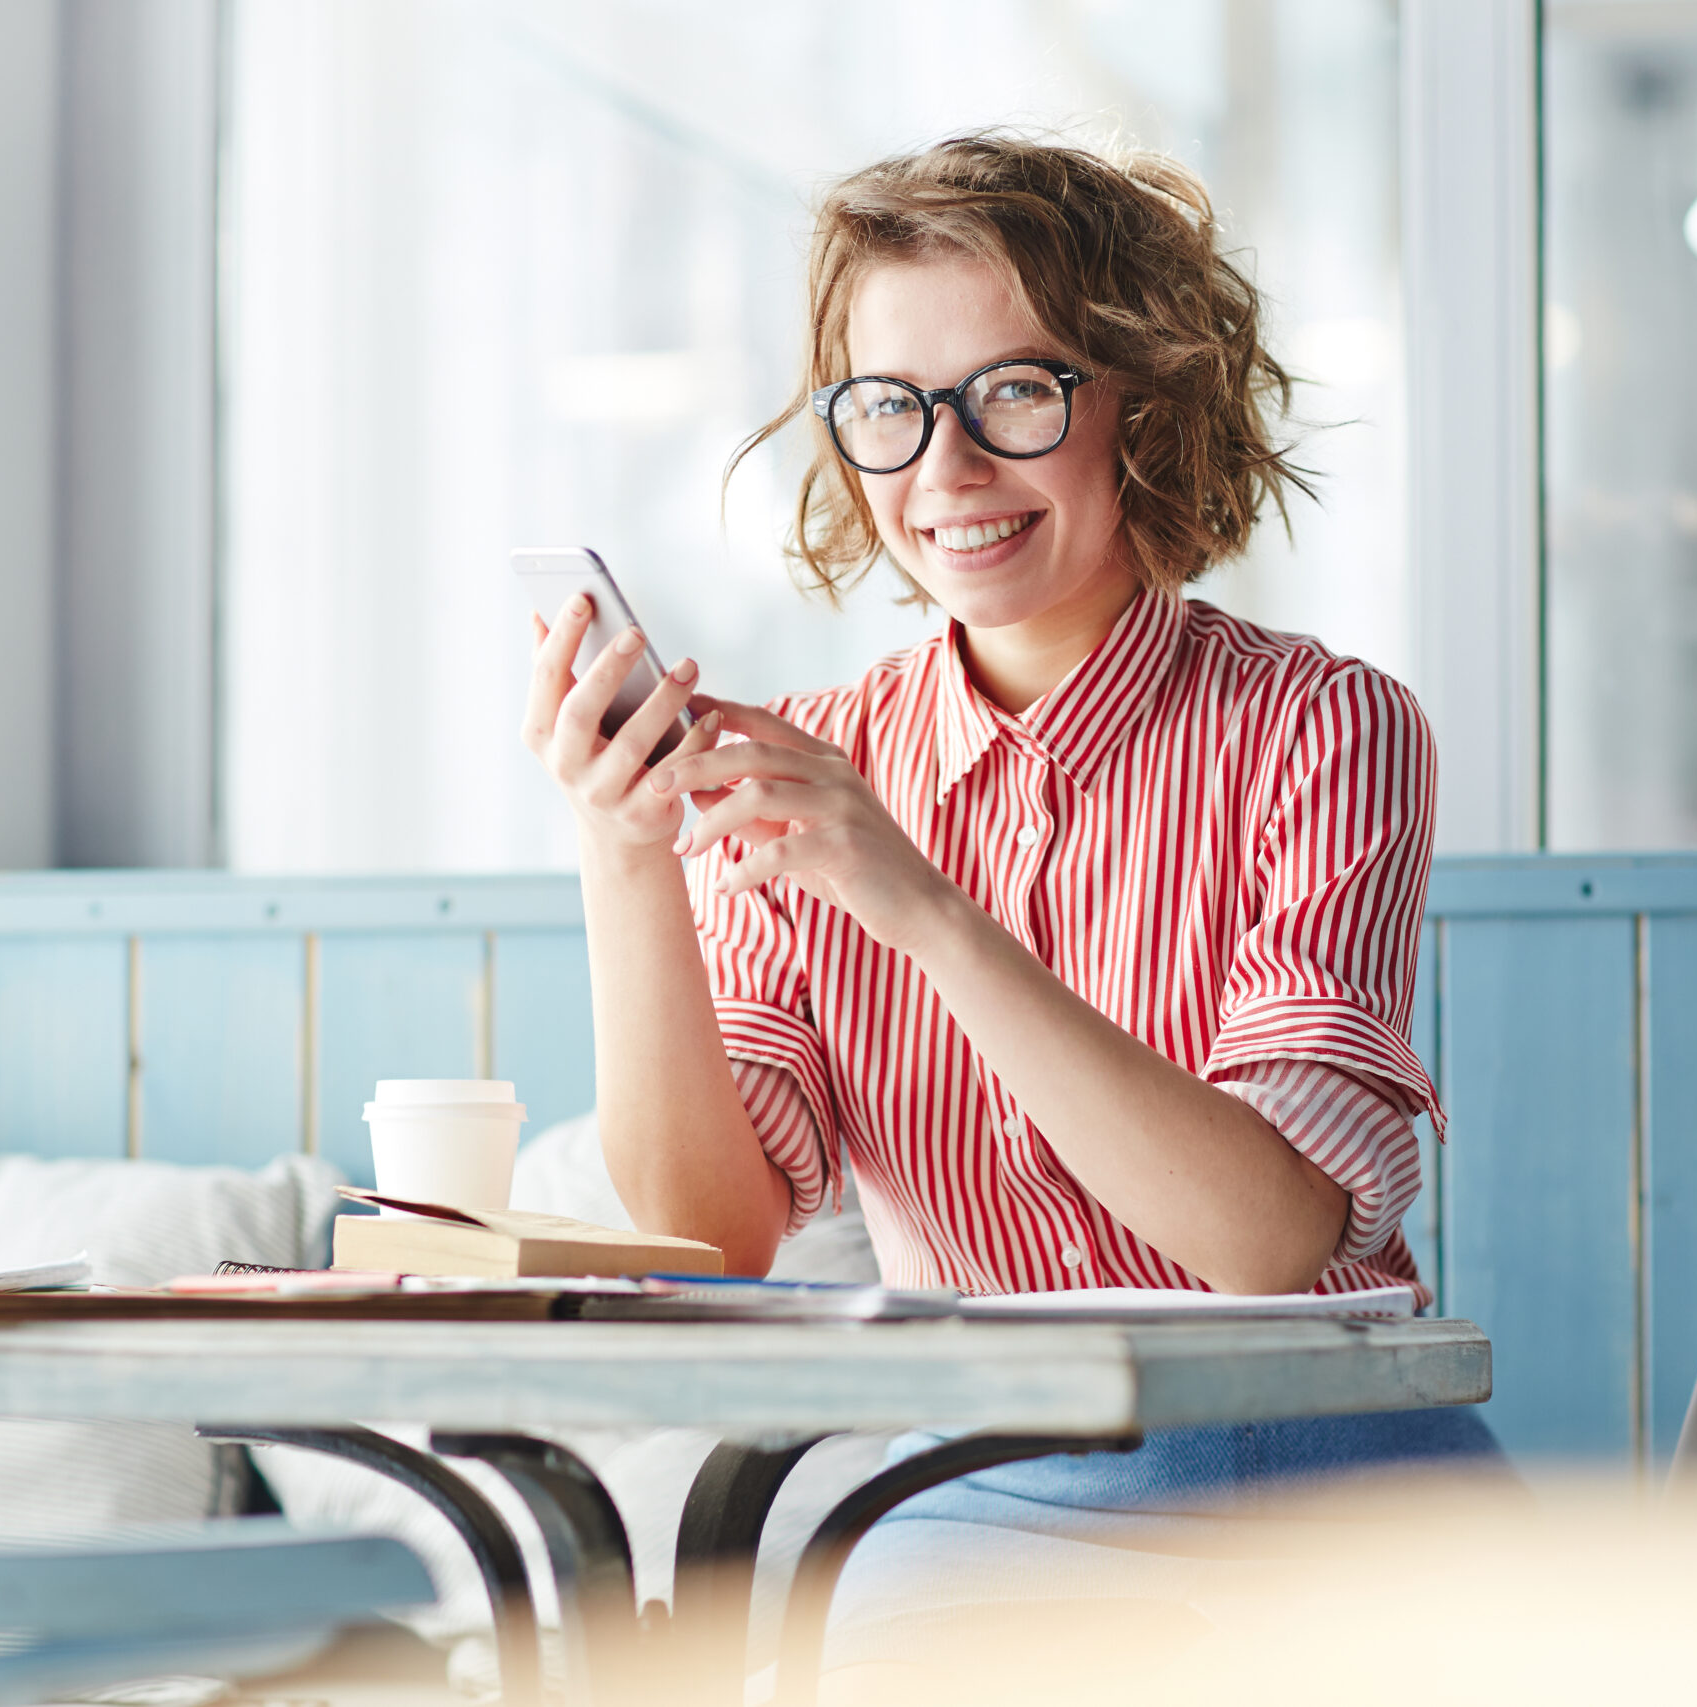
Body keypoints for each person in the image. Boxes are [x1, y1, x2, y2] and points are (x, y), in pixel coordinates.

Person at [522, 133, 1504, 1659]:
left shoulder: (1330, 729)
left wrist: (924, 910)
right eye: (893, 409)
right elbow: (713, 1237)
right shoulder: (819, 769)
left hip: (1334, 1474)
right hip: (979, 1490)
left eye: (1018, 393)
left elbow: (1265, 1240)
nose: (948, 469)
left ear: (1146, 407)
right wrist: (625, 852)